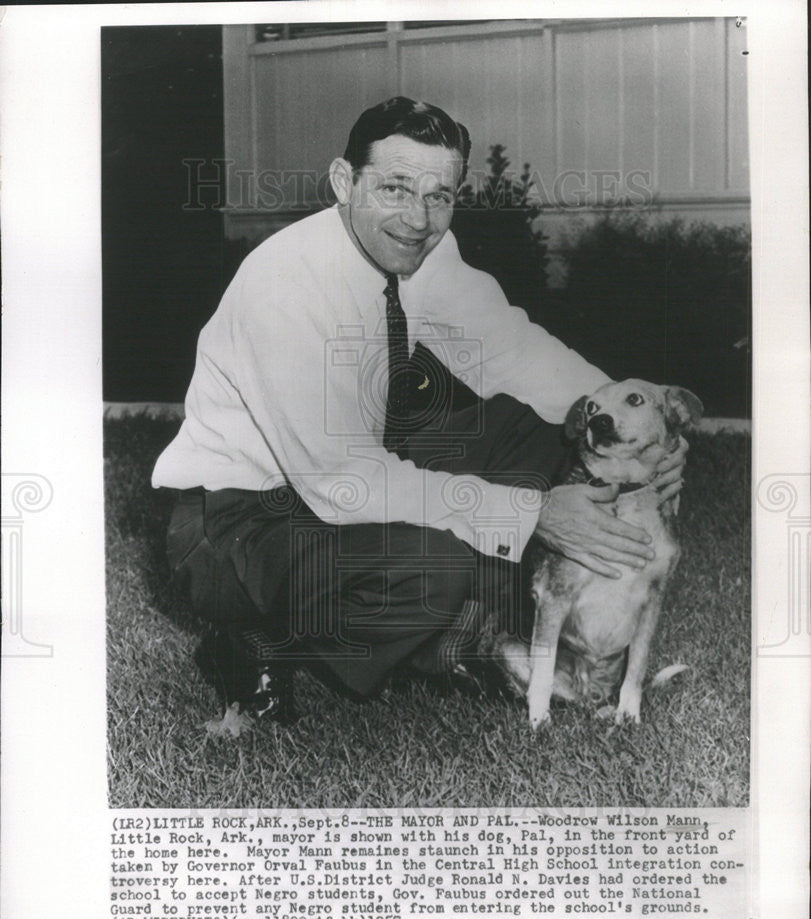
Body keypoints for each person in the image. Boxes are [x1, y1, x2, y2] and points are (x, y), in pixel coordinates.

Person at [152, 96, 686, 721]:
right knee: (437, 568)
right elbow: (338, 483)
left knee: (542, 435)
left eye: (440, 195)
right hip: (236, 520)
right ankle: (262, 641)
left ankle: (476, 619)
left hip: (346, 471)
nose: (419, 217)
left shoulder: (421, 247)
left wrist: (641, 432)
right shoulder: (283, 285)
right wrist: (531, 513)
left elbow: (512, 350)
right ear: (343, 182)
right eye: (396, 187)